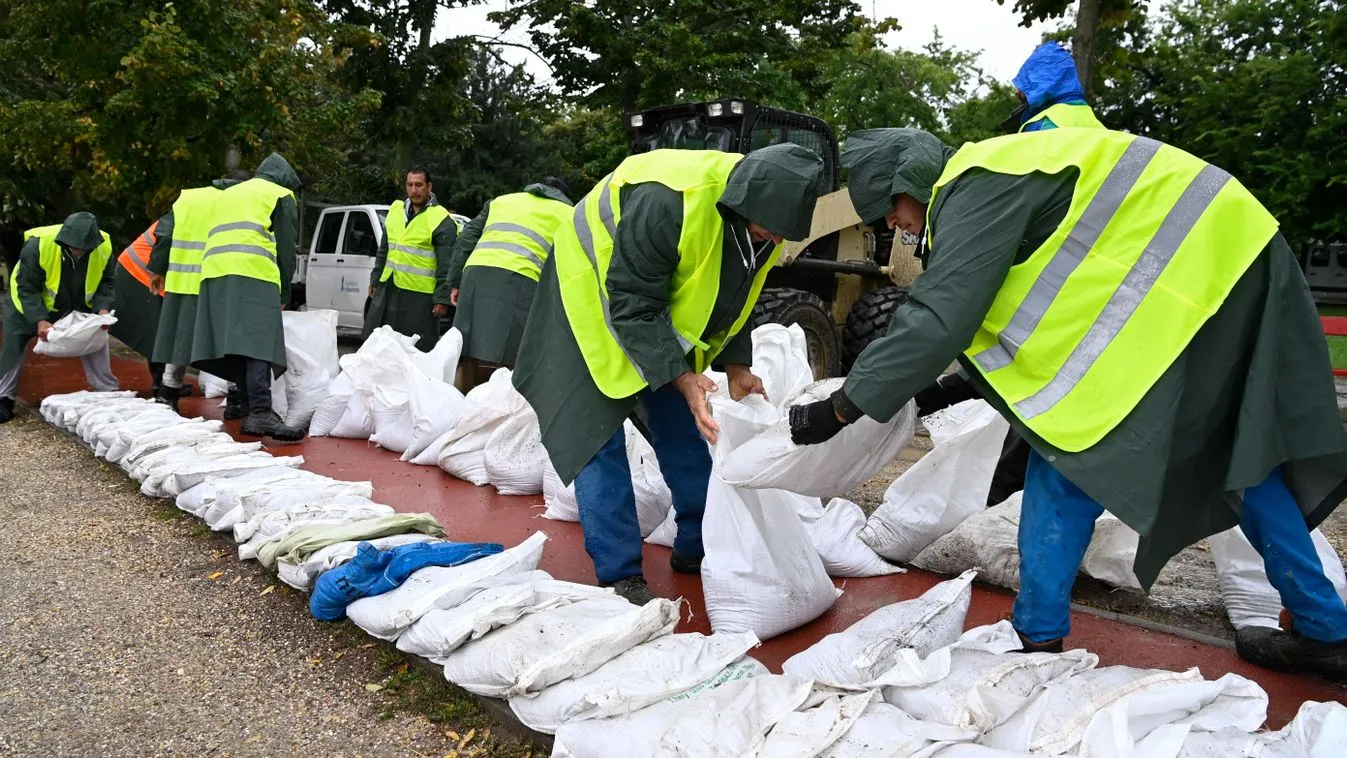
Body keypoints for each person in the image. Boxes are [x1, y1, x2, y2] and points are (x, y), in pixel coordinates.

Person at [787, 127, 1347, 680]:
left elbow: (939, 317)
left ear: (912, 181)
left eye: (888, 205)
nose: (890, 223)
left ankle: (1038, 633)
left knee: (1065, 453)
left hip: (1201, 275)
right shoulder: (1002, 174)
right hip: (1220, 267)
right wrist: (934, 392)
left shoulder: (978, 187)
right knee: (1238, 457)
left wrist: (842, 407)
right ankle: (1326, 631)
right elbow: (1026, 322)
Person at [513, 144, 826, 605]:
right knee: (597, 436)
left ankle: (698, 545)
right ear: (745, 202)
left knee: (684, 423)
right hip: (586, 299)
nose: (774, 241)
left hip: (647, 311)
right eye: (770, 230)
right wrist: (680, 375)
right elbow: (630, 300)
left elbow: (733, 293)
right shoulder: (668, 200)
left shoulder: (757, 227)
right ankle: (620, 575)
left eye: (782, 235)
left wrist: (736, 364)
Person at [917, 40, 1112, 505]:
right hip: (1096, 298)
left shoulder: (1039, 140)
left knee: (1037, 440)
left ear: (1035, 92)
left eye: (1021, 94)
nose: (1017, 103)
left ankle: (997, 519)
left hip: (1055, 305)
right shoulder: (1105, 137)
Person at [189, 153, 303, 440]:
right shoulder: (280, 194)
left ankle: (249, 406)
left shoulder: (232, 192)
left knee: (236, 342)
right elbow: (286, 250)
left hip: (214, 272)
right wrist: (284, 290)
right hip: (253, 272)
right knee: (259, 342)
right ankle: (261, 412)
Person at [445, 177, 573, 389]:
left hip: (475, 275)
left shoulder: (501, 201)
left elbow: (467, 238)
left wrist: (455, 281)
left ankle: (461, 400)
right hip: (522, 279)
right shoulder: (569, 214)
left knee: (466, 347)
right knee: (510, 354)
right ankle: (499, 407)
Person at [0, 213, 119, 422]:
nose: (77, 251)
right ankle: (4, 397)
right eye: (73, 247)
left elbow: (107, 282)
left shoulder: (104, 247)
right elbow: (27, 287)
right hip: (27, 305)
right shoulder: (38, 246)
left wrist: (102, 310)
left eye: (83, 249)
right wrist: (40, 319)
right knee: (14, 345)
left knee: (96, 338)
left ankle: (108, 391)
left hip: (77, 303)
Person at [146, 170, 249, 412]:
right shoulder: (246, 202)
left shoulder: (190, 200)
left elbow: (164, 233)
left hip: (187, 283)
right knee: (230, 342)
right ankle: (235, 399)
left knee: (181, 338)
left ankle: (168, 392)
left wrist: (159, 269)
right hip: (227, 283)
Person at [362, 166, 459, 352]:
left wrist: (441, 299)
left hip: (420, 297)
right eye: (410, 185)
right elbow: (385, 249)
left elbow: (447, 264)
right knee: (377, 343)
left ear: (429, 186)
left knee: (414, 350)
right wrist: (376, 278)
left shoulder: (441, 219)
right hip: (388, 288)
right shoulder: (396, 210)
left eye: (419, 185)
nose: (414, 190)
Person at [110, 218, 190, 399]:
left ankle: (165, 381)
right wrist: (158, 271)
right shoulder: (183, 214)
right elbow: (164, 241)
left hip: (147, 271)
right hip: (142, 272)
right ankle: (160, 384)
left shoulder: (185, 211)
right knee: (157, 333)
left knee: (161, 331)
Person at [1001, 42, 1105, 133]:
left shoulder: (1043, 125)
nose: (1017, 91)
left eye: (1026, 82)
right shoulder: (1098, 126)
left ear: (1043, 81)